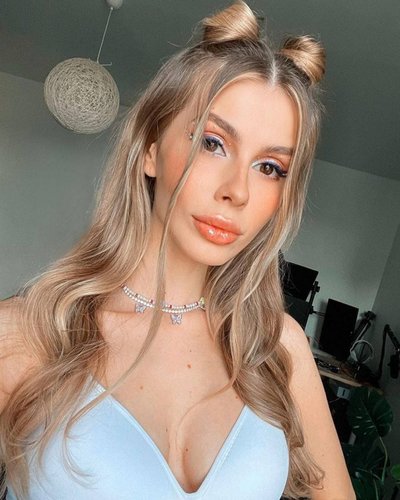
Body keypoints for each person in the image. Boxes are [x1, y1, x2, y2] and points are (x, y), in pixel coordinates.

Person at [0, 1, 355, 499]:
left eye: (270, 168)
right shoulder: (25, 334)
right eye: (212, 142)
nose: (238, 191)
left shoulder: (277, 347)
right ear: (150, 149)